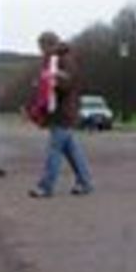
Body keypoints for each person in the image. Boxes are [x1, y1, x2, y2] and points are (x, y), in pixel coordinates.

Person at [29, 32, 93, 198]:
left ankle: (46, 186)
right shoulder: (56, 60)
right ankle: (85, 182)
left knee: (54, 150)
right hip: (61, 112)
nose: (40, 51)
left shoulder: (62, 60)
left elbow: (67, 83)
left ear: (48, 45)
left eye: (41, 47)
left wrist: (53, 79)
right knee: (71, 150)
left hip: (62, 112)